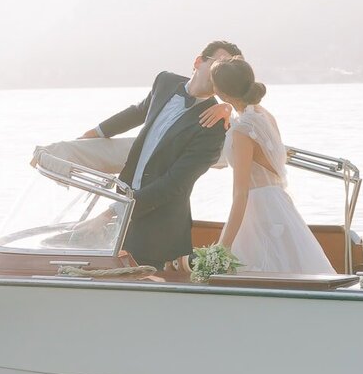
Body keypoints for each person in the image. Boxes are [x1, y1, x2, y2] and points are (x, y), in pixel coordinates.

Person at [45, 40, 243, 270]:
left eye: (226, 69)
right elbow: (138, 111)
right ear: (198, 62)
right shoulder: (165, 81)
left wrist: (112, 213)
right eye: (218, 64)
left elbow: (174, 184)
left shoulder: (215, 124)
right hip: (121, 211)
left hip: (159, 231)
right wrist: (94, 133)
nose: (220, 73)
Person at [210, 59, 331, 274]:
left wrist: (222, 247)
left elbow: (241, 194)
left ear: (221, 93)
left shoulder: (241, 131)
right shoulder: (264, 115)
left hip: (257, 211)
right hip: (278, 203)